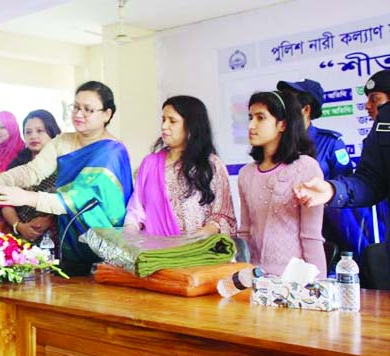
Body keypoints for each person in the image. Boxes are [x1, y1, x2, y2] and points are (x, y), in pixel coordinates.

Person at [0, 81, 133, 276]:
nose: (78, 114)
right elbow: (32, 171)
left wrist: (25, 198)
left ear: (107, 114)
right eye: (75, 107)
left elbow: (76, 201)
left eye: (88, 109)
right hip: (70, 240)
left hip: (104, 245)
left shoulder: (111, 152)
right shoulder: (63, 141)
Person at [294, 70, 390, 284]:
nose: (367, 106)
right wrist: (331, 190)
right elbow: (369, 181)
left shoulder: (329, 142)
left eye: (375, 99)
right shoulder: (382, 129)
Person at [238, 90, 326, 277]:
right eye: (250, 117)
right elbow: (245, 232)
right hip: (253, 279)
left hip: (293, 281)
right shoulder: (246, 174)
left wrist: (319, 287)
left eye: (261, 118)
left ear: (283, 124)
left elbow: (311, 236)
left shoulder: (306, 168)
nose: (251, 125)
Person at [124, 95, 236, 236]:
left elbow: (223, 215)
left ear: (191, 126)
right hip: (157, 253)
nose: (164, 126)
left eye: (172, 121)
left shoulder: (211, 165)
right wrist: (130, 231)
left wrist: (199, 238)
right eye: (163, 120)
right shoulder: (150, 164)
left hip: (199, 252)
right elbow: (136, 209)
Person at [2, 110, 62, 243]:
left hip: (54, 236)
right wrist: (19, 226)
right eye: (28, 132)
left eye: (40, 131)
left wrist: (49, 220)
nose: (33, 136)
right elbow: (5, 202)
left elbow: (67, 201)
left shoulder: (63, 165)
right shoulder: (18, 164)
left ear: (52, 133)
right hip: (19, 235)